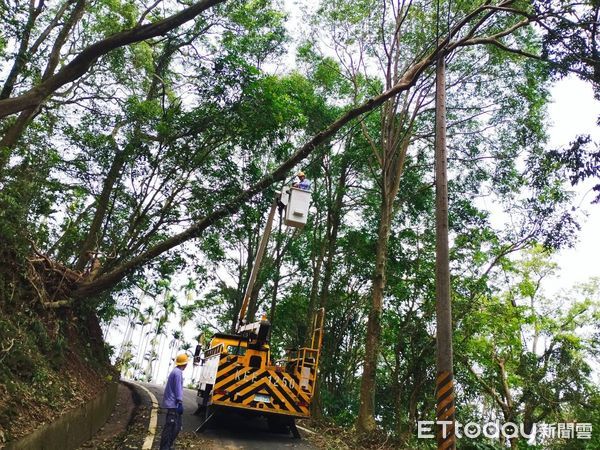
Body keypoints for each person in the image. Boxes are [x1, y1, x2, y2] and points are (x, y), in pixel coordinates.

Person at [159, 353, 188, 450]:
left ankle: (167, 446)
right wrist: (180, 401)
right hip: (173, 404)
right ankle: (165, 447)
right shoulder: (178, 373)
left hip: (172, 403)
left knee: (175, 426)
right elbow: (178, 388)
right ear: (184, 364)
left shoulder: (175, 371)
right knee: (172, 427)